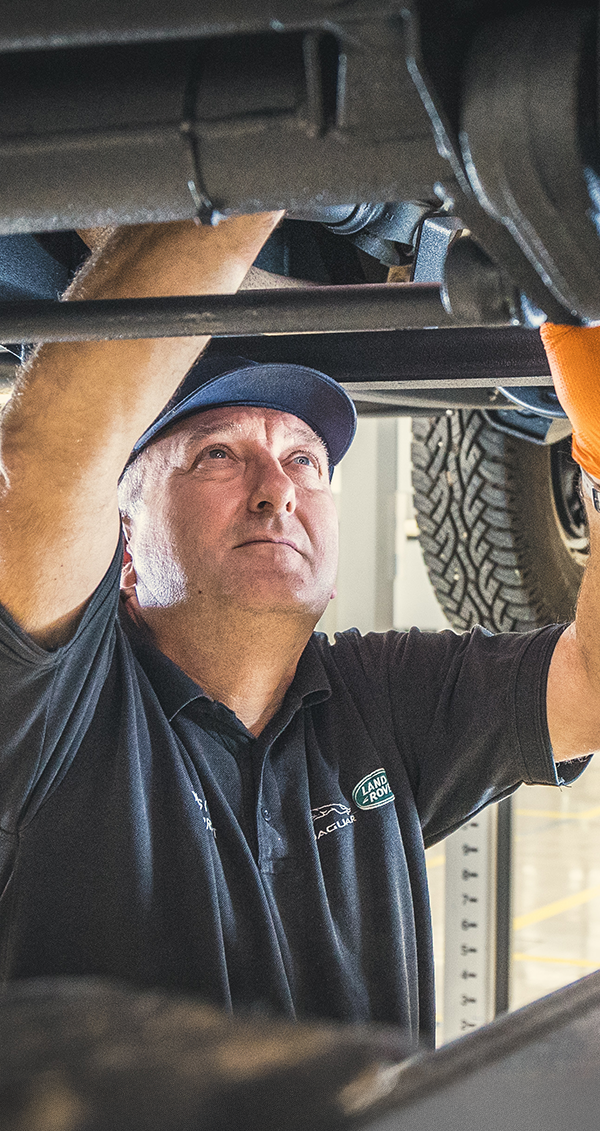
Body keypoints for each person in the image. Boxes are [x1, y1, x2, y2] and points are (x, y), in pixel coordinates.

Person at [0, 212, 598, 1047]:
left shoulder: (370, 699)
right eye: (217, 453)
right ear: (123, 540)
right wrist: (263, 159)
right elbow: (45, 459)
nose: (277, 489)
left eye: (305, 461)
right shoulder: (56, 701)